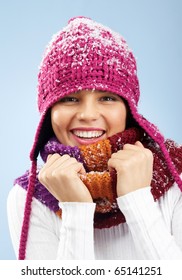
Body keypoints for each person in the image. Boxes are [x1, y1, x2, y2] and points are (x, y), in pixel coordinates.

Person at [7, 16, 182, 260]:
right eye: (70, 98)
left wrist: (136, 199)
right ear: (48, 111)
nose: (88, 115)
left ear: (129, 108)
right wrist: (76, 209)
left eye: (107, 98)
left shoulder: (175, 175)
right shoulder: (30, 196)